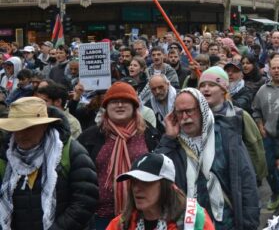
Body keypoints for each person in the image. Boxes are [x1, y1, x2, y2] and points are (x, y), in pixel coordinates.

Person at [156, 88, 260, 229]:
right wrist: (168, 139)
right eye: (179, 113)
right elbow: (157, 175)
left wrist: (249, 225)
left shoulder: (226, 137)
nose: (185, 117)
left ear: (201, 110)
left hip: (226, 223)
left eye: (189, 111)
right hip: (189, 224)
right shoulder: (173, 145)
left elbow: (246, 183)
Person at [0, 97, 98, 229]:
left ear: (44, 125)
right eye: (16, 128)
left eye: (28, 128)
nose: (21, 134)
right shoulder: (5, 155)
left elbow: (85, 202)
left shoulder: (69, 152)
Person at [79, 82, 161, 229]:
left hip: (141, 215)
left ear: (135, 107)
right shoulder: (89, 137)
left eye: (125, 101)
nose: (120, 105)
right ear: (106, 107)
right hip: (100, 217)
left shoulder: (150, 135)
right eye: (114, 102)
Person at [105, 152, 215, 230]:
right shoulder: (122, 224)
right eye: (134, 182)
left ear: (165, 186)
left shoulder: (193, 221)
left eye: (145, 182)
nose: (136, 188)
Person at [252, 54, 279, 210]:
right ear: (269, 70)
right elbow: (255, 110)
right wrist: (260, 126)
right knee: (269, 169)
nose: (276, 71)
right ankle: (276, 193)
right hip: (269, 136)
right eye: (273, 68)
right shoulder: (263, 90)